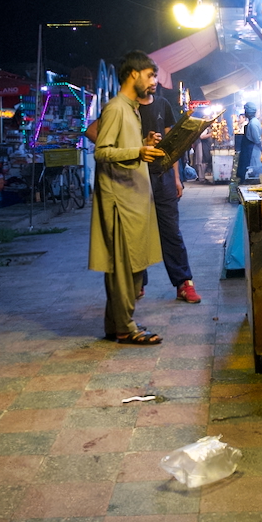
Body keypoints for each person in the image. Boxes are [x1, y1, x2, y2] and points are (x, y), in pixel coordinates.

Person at [88, 51, 165, 345]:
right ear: (133, 74)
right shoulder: (116, 108)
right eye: (150, 75)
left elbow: (122, 147)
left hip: (134, 199)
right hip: (120, 202)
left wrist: (143, 144)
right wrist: (137, 152)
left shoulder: (130, 109)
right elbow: (102, 151)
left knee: (132, 266)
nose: (154, 82)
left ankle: (115, 324)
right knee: (124, 269)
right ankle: (125, 327)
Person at [136, 82, 202, 304]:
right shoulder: (126, 108)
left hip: (163, 176)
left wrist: (176, 178)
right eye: (148, 75)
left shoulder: (163, 105)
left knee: (171, 231)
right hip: (136, 178)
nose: (153, 80)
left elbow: (171, 146)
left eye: (155, 76)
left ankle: (184, 283)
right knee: (138, 232)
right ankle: (137, 282)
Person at [233, 102, 262, 183]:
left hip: (251, 152)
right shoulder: (252, 122)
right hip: (248, 151)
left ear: (248, 112)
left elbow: (257, 140)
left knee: (249, 171)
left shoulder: (253, 123)